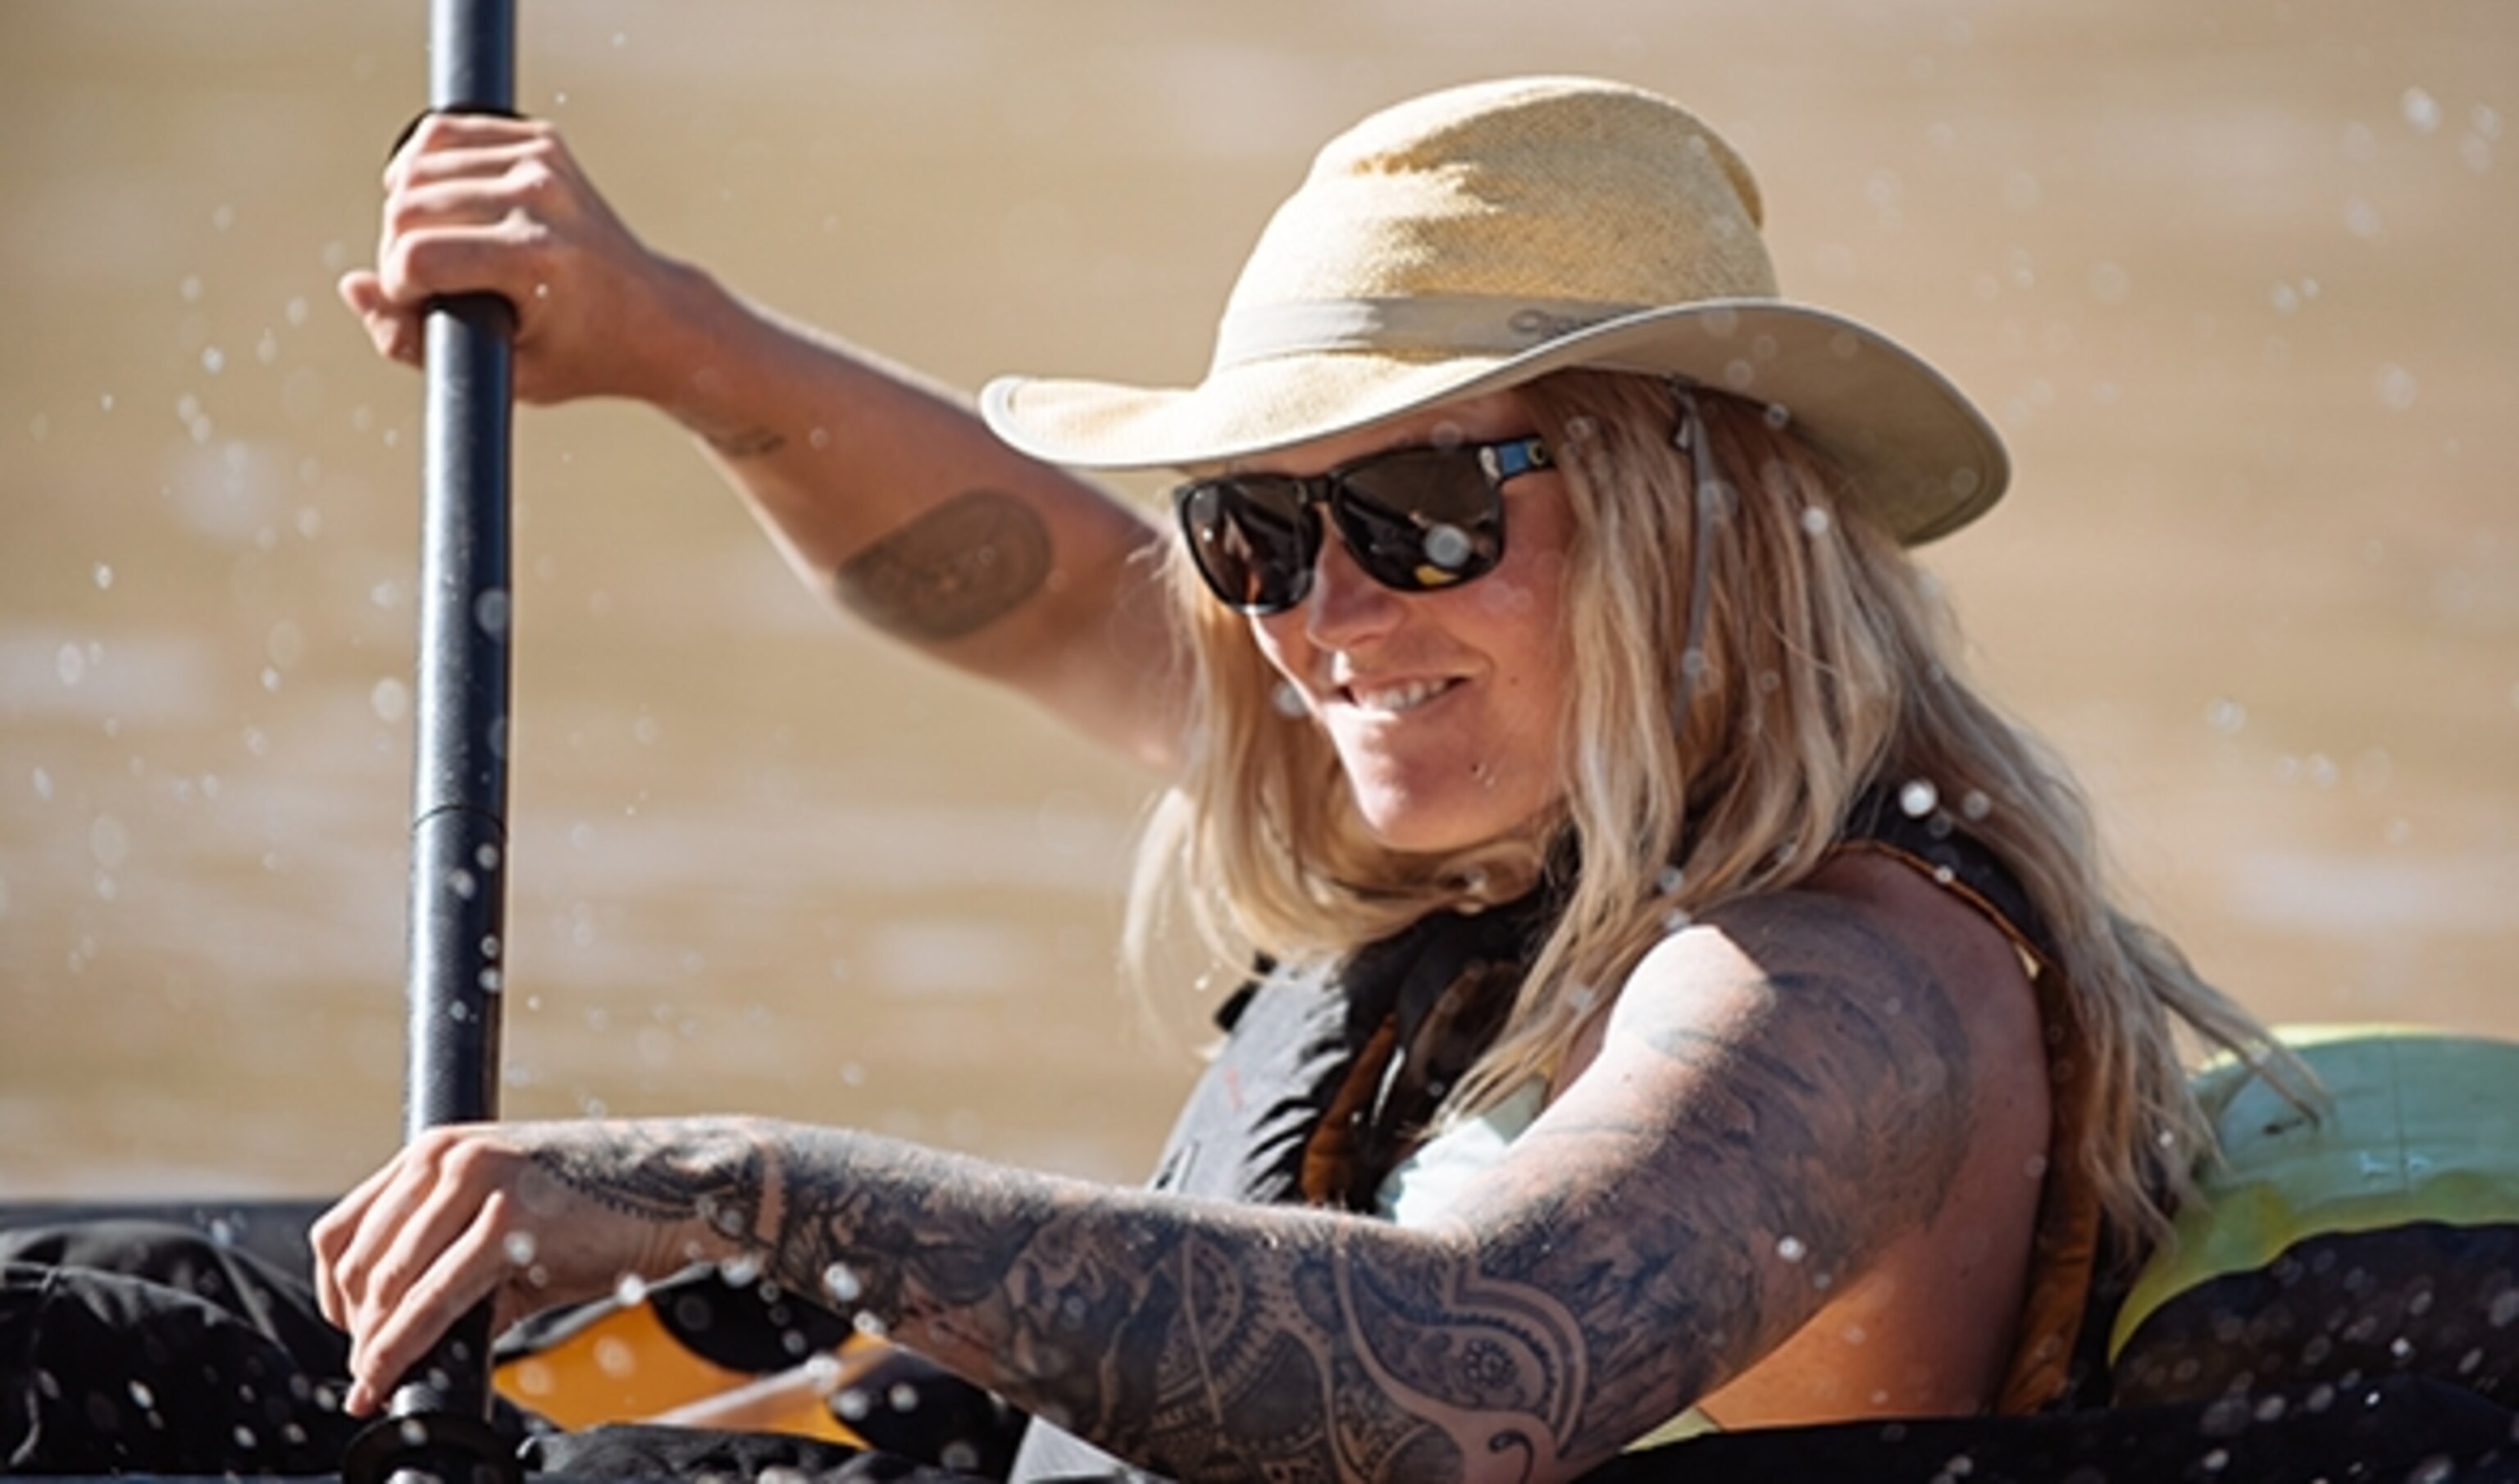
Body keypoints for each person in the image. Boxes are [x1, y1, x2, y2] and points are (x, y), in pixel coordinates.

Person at [301, 75, 2294, 1482]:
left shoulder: (1843, 994)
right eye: (1256, 527)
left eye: (1420, 508)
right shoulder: (1508, 802)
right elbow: (1061, 598)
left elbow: (1475, 1371)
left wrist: (732, 1189)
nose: (1319, 614)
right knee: (110, 1340)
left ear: (1694, 524)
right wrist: (667, 335)